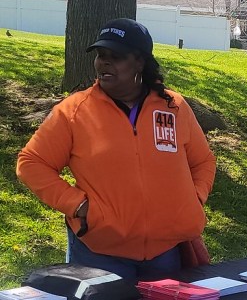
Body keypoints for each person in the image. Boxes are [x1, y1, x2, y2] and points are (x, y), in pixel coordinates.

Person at [17, 18, 216, 279]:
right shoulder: (75, 111)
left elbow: (203, 162)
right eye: (100, 55)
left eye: (116, 56)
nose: (104, 63)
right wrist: (79, 206)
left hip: (165, 253)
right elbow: (31, 163)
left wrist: (193, 199)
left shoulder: (173, 107)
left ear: (140, 62)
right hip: (100, 254)